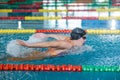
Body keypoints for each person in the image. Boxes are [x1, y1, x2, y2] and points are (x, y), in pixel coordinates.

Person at [7, 28, 86, 61]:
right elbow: (49, 43)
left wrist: (47, 35)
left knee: (14, 57)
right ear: (79, 38)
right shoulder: (67, 44)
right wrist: (28, 45)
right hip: (41, 56)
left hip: (41, 53)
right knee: (15, 59)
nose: (85, 40)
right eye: (84, 38)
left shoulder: (68, 39)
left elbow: (59, 36)